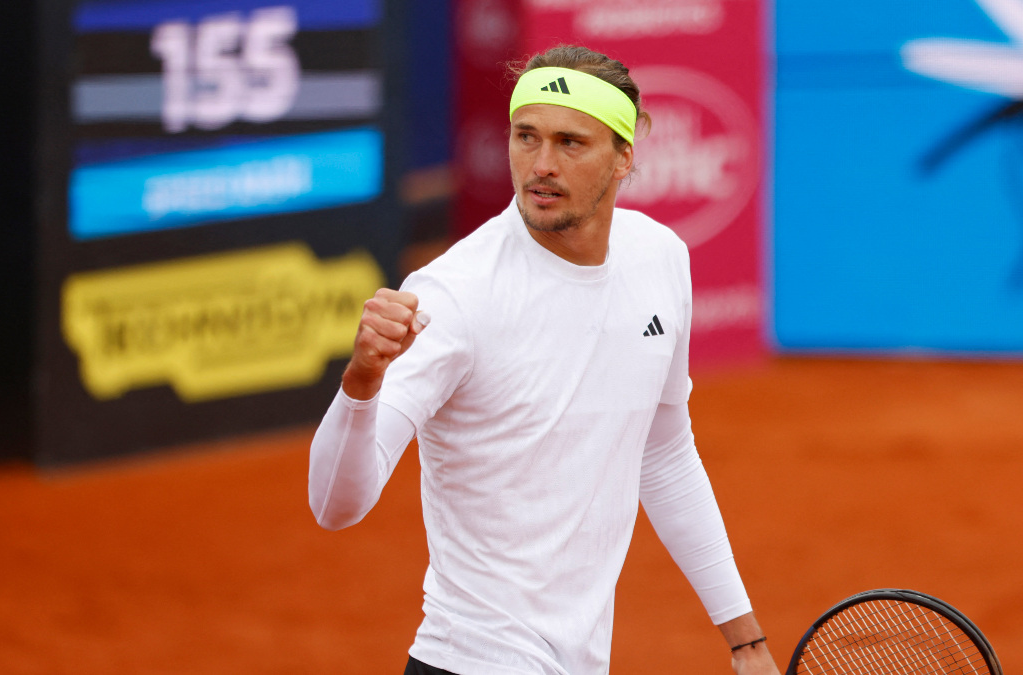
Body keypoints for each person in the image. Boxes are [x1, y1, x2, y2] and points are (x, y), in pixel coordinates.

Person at [308, 45, 780, 675]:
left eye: (570, 143)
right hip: (474, 659)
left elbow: (663, 452)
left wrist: (745, 640)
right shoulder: (453, 295)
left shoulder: (660, 259)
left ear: (623, 157)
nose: (541, 165)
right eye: (525, 137)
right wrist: (361, 382)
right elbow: (335, 506)